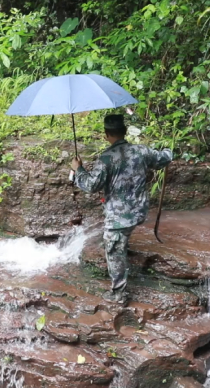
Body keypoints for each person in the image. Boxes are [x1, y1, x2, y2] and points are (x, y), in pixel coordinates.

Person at [70, 114, 172, 304]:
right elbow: (164, 158)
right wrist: (168, 148)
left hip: (119, 218)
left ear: (106, 134)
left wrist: (78, 169)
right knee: (121, 235)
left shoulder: (106, 159)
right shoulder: (142, 151)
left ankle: (118, 295)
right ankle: (123, 242)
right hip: (139, 212)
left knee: (114, 247)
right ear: (125, 132)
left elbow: (91, 186)